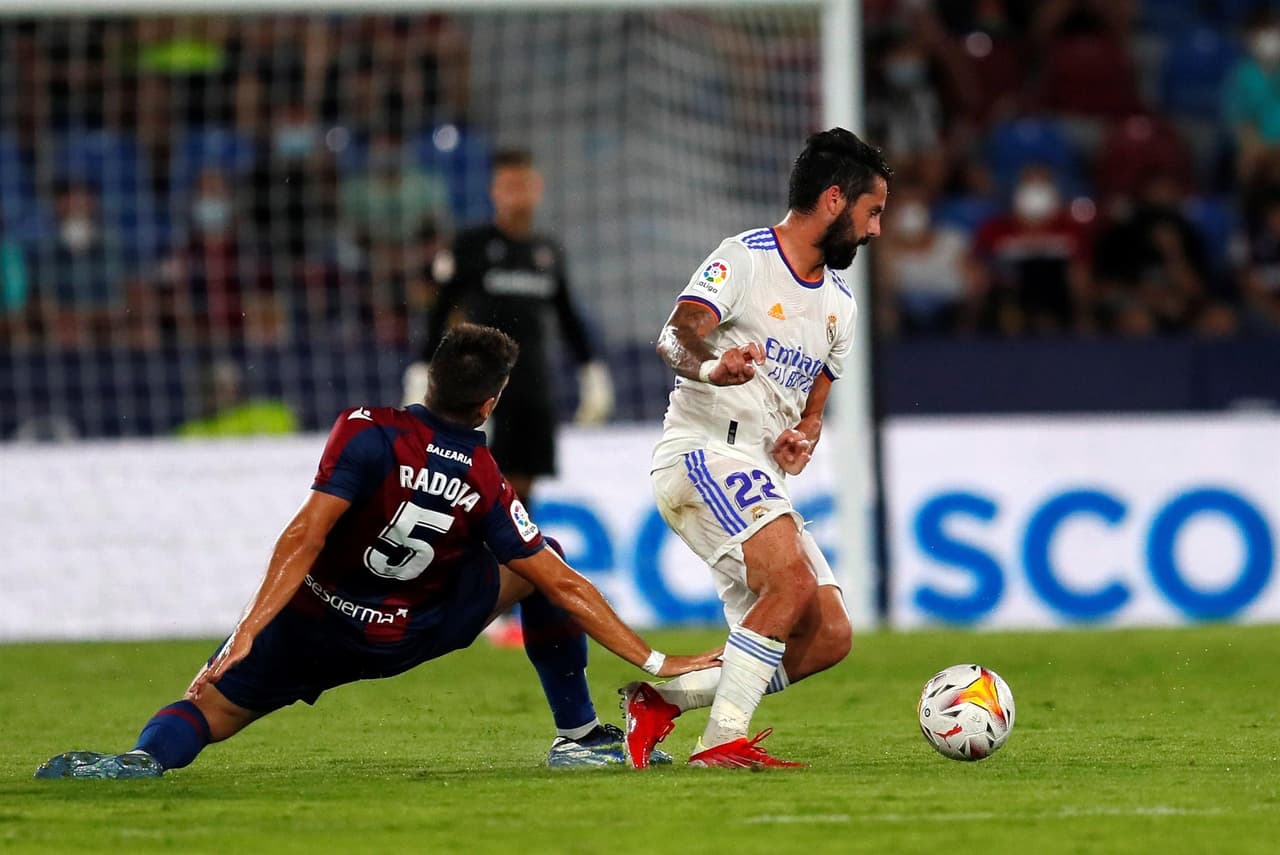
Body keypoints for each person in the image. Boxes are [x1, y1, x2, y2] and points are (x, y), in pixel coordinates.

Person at [36, 324, 717, 780]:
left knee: (210, 707)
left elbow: (304, 537)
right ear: (488, 404)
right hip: (414, 630)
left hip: (312, 624)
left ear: (427, 382)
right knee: (543, 561)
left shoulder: (365, 432)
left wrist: (247, 629)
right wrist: (658, 659)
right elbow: (562, 583)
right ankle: (579, 735)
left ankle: (139, 759)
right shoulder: (483, 475)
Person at [620, 128, 889, 769]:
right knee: (790, 582)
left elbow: (814, 410)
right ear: (834, 200)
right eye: (872, 211)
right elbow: (676, 336)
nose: (876, 230)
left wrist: (803, 438)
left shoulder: (840, 308)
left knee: (828, 636)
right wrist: (715, 367)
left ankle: (660, 703)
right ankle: (722, 743)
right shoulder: (743, 259)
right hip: (702, 452)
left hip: (761, 473)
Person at [402, 148, 614, 509]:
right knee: (473, 493)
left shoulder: (547, 252)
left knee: (520, 499)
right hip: (482, 389)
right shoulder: (471, 246)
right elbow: (440, 309)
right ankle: (472, 565)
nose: (516, 193)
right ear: (493, 192)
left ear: (538, 189)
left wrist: (591, 370)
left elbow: (567, 316)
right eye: (508, 185)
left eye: (523, 184)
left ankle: (511, 567)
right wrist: (421, 369)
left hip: (533, 389)